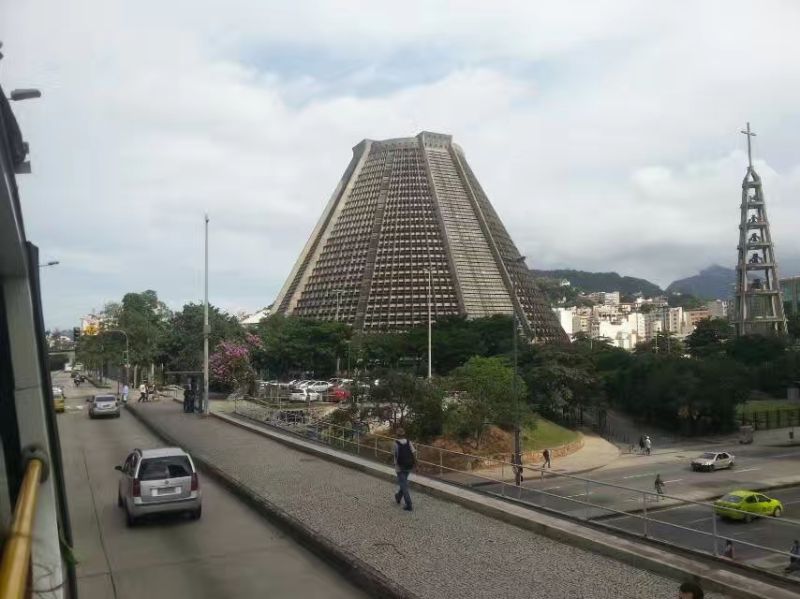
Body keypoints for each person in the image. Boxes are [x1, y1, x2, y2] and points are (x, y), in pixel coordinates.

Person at [392, 427, 416, 512]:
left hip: (399, 467)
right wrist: (415, 463)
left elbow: (395, 455)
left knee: (404, 485)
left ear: (397, 435)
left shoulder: (395, 443)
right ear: (404, 434)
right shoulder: (409, 442)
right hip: (409, 466)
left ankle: (409, 504)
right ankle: (398, 496)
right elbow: (413, 452)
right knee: (404, 483)